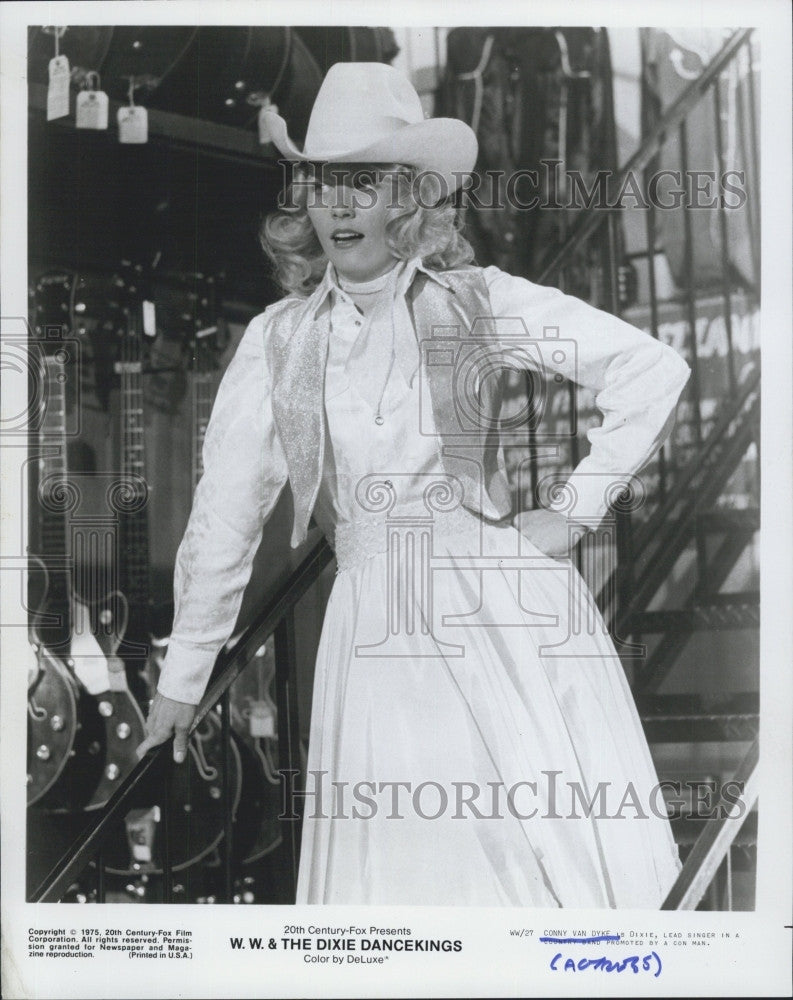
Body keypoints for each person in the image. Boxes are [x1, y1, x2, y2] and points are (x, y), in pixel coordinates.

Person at [138, 62, 691, 907]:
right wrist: (183, 678)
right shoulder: (276, 339)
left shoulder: (478, 301)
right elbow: (225, 514)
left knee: (534, 876)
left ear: (411, 197)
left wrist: (572, 513)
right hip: (375, 635)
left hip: (501, 612)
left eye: (364, 184)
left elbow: (651, 368)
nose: (339, 207)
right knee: (414, 880)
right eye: (324, 184)